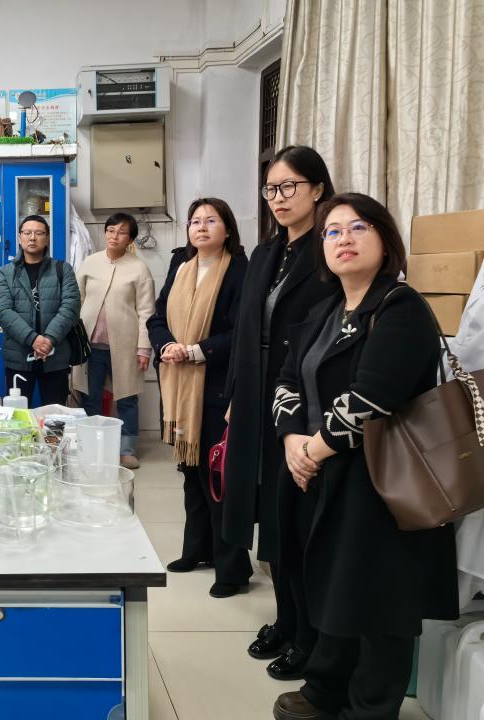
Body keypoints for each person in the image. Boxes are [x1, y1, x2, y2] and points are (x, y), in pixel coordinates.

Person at [270, 193, 458, 720]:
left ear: (385, 239)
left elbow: (374, 397)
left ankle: (370, 708)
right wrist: (290, 439)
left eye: (358, 227)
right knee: (335, 585)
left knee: (379, 600)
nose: (344, 239)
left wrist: (311, 448)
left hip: (381, 479)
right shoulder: (325, 311)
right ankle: (326, 689)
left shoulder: (400, 308)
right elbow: (287, 380)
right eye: (332, 231)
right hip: (323, 471)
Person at [222, 145, 337, 679]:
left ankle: (310, 636)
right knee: (270, 515)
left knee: (297, 519)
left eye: (290, 186)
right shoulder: (268, 253)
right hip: (257, 394)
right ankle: (286, 619)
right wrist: (235, 396)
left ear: (318, 189)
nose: (279, 198)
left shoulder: (328, 248)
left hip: (303, 400)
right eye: (271, 188)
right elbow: (246, 331)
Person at [147, 198, 252, 598]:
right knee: (191, 473)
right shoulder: (181, 264)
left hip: (216, 386)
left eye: (211, 220)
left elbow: (241, 331)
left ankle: (232, 569)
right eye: (195, 221)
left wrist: (194, 351)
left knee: (217, 479)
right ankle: (197, 550)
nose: (201, 227)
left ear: (227, 229)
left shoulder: (239, 269)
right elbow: (157, 317)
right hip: (178, 384)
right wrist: (167, 345)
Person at [72, 212, 156, 468]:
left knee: (127, 398)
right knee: (91, 396)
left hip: (126, 346)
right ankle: (93, 446)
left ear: (130, 239)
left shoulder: (139, 268)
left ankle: (126, 450)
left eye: (121, 232)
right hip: (90, 346)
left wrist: (144, 348)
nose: (114, 236)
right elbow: (77, 300)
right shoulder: (90, 262)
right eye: (110, 230)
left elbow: (146, 311)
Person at [0, 214, 81, 406]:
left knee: (55, 415)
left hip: (55, 356)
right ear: (19, 237)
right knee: (17, 414)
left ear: (47, 238)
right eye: (27, 233)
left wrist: (48, 339)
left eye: (39, 233)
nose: (32, 237)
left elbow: (71, 307)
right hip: (18, 357)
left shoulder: (62, 269)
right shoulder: (5, 273)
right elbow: (3, 311)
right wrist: (33, 339)